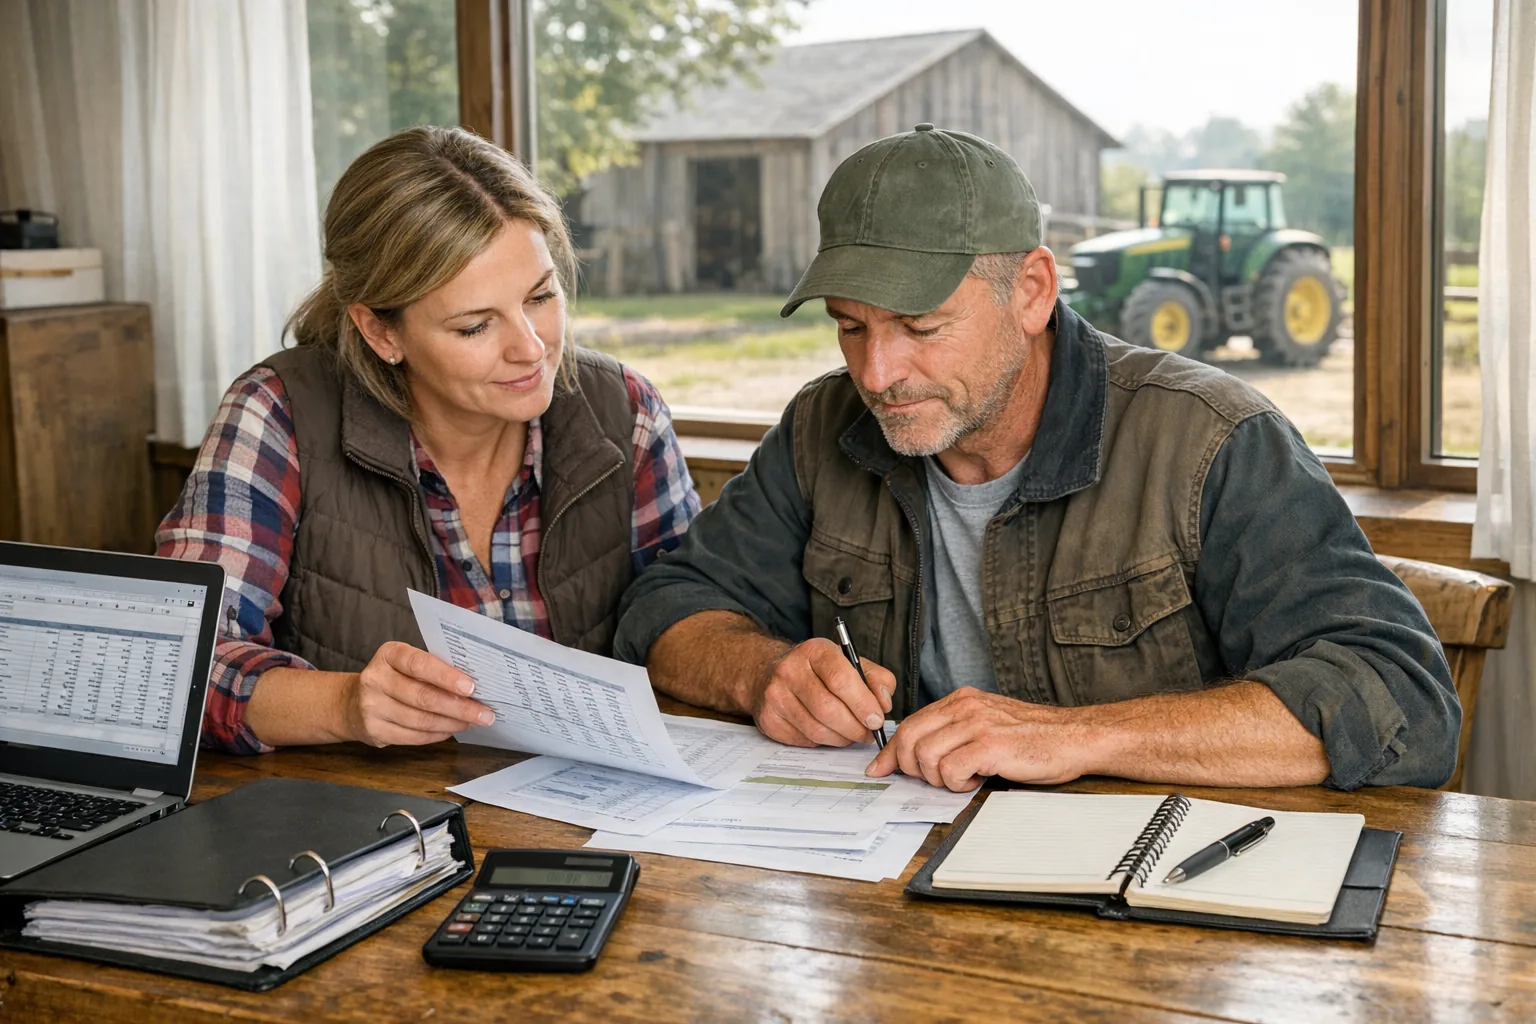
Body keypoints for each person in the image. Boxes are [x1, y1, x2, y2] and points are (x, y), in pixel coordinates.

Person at [613, 124, 1459, 793]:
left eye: (921, 327)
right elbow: (667, 608)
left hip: (1153, 926)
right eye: (850, 324)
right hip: (890, 905)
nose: (876, 374)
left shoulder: (1210, 439)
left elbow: (1399, 699)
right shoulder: (819, 428)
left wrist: (1079, 734)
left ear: (1032, 291)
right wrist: (761, 672)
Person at [158, 126, 699, 754]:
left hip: (586, 819)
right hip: (372, 830)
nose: (530, 347)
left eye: (542, 295)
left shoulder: (625, 409)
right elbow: (181, 664)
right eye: (474, 326)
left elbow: (684, 611)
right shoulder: (278, 413)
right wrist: (344, 705)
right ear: (379, 332)